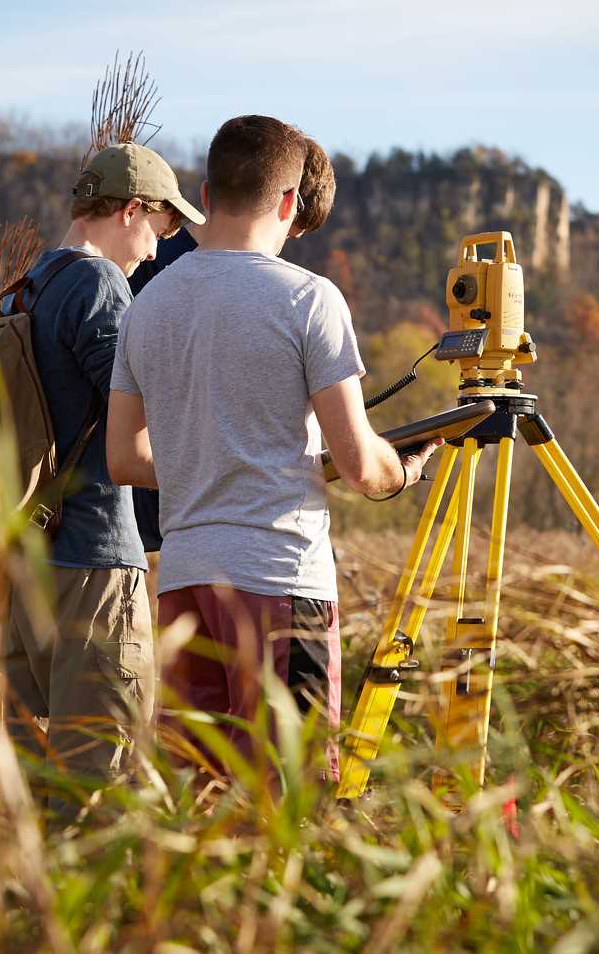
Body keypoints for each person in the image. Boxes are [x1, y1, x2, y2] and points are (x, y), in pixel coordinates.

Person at [106, 115, 436, 784]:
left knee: (199, 803)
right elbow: (360, 465)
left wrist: (214, 459)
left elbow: (123, 458)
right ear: (289, 202)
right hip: (281, 585)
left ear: (206, 188)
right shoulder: (309, 300)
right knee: (288, 807)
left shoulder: (147, 304)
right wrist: (403, 469)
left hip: (185, 584)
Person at [0, 141, 203, 801]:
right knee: (98, 789)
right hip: (93, 565)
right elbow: (150, 408)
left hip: (29, 561)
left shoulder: (28, 286)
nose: (152, 253)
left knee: (29, 785)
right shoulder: (98, 284)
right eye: (157, 231)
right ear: (130, 209)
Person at [124, 138, 339, 563]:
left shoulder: (155, 267)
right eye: (292, 229)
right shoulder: (150, 270)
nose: (283, 244)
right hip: (168, 520)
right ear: (285, 204)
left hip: (182, 535)